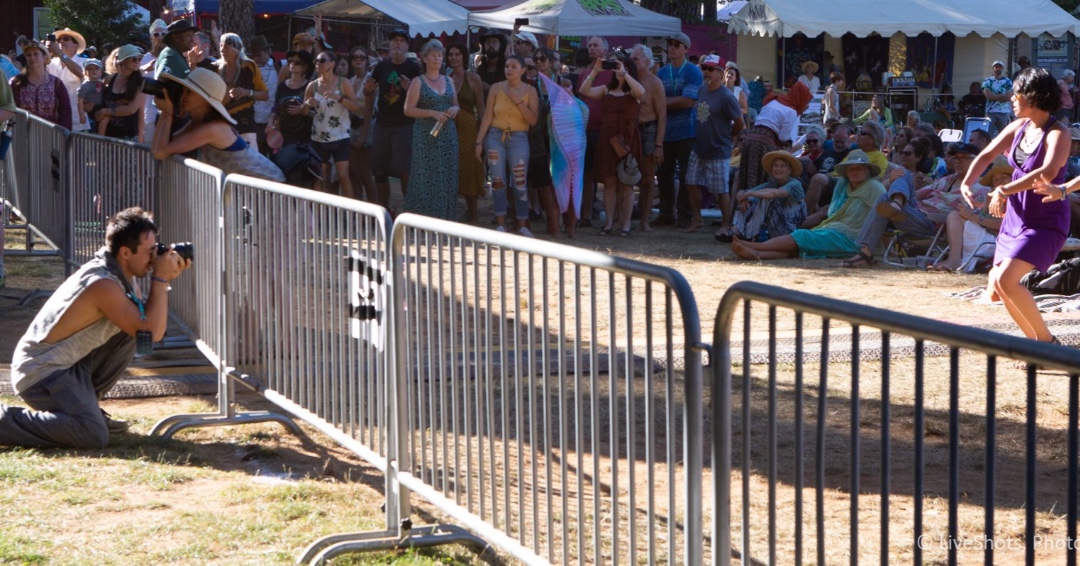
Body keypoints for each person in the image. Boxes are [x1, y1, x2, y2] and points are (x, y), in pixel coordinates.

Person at [1, 208, 191, 448]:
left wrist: (162, 277)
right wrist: (161, 279)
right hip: (41, 372)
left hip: (68, 365)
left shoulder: (121, 272)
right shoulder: (103, 283)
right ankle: (8, 420)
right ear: (125, 252)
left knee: (131, 328)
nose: (155, 258)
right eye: (150, 251)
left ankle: (84, 408)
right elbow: (151, 332)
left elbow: (146, 328)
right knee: (92, 434)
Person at [963, 67, 1069, 346]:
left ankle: (1046, 344)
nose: (1011, 98)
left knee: (1008, 280)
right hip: (1015, 217)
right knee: (998, 287)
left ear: (1034, 96)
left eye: (1017, 93)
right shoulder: (1017, 127)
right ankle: (1036, 343)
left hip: (1044, 219)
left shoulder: (1059, 133)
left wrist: (1004, 189)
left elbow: (1046, 172)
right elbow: (986, 154)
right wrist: (967, 182)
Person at [731, 150, 885, 260]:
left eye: (859, 168)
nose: (855, 171)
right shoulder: (843, 186)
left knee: (802, 236)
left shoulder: (874, 187)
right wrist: (744, 195)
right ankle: (758, 255)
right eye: (851, 168)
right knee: (800, 247)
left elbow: (883, 215)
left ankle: (757, 247)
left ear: (867, 171)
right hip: (832, 229)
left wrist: (875, 245)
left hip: (850, 237)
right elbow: (833, 212)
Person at [152, 67, 285, 182]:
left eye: (190, 92)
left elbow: (160, 152)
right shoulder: (199, 124)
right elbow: (161, 147)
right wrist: (165, 112)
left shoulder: (213, 128)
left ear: (205, 99)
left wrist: (167, 114)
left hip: (273, 191)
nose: (183, 96)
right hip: (255, 191)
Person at [722, 82, 813, 239]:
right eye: (806, 102)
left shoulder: (773, 101)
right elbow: (784, 138)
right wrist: (787, 151)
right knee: (766, 180)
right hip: (765, 143)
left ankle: (736, 226)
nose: (806, 106)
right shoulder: (790, 110)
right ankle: (753, 225)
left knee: (746, 180)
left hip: (750, 140)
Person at [579, 52, 645, 237]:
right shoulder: (607, 89)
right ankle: (609, 223)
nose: (618, 69)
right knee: (609, 181)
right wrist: (596, 70)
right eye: (616, 67)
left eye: (622, 66)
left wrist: (626, 75)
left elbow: (641, 93)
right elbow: (584, 90)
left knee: (627, 182)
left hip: (628, 139)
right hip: (607, 139)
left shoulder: (633, 90)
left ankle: (625, 224)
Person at [475, 55, 539, 235]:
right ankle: (501, 222)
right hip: (496, 136)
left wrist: (519, 100)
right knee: (497, 181)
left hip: (519, 138)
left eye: (513, 66)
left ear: (522, 70)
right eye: (507, 66)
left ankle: (522, 224)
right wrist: (479, 141)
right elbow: (487, 116)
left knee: (519, 181)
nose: (509, 70)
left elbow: (533, 120)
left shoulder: (530, 90)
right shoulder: (497, 88)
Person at [402, 39, 459, 219]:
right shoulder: (418, 82)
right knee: (424, 174)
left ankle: (446, 216)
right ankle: (423, 218)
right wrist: (431, 113)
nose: (437, 58)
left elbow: (456, 105)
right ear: (424, 59)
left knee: (448, 174)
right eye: (433, 55)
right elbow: (408, 109)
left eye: (439, 55)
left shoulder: (449, 80)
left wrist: (455, 110)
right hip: (425, 135)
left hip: (447, 135)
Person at [687, 54, 743, 234]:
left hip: (718, 149)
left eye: (711, 69)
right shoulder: (702, 90)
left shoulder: (727, 97)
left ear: (721, 73)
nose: (706, 72)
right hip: (699, 147)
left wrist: (731, 136)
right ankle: (697, 219)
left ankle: (725, 225)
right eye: (704, 68)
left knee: (721, 191)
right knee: (690, 182)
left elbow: (739, 122)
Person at [365, 28, 421, 207]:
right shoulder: (382, 66)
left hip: (405, 125)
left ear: (407, 45)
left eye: (401, 40)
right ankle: (384, 211)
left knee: (405, 171)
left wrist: (409, 89)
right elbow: (369, 90)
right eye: (394, 40)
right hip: (382, 124)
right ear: (389, 45)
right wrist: (367, 90)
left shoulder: (414, 67)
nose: (397, 43)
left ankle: (409, 212)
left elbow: (422, 97)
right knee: (379, 171)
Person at [655, 31, 702, 228]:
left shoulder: (693, 71)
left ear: (685, 49)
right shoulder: (662, 72)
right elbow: (677, 101)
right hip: (665, 132)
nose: (671, 48)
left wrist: (661, 103)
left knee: (686, 176)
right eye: (670, 44)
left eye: (676, 44)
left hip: (687, 131)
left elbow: (688, 101)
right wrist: (672, 102)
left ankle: (684, 215)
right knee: (664, 174)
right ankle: (666, 213)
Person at [930, 157, 1010, 272]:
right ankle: (954, 259)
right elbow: (984, 219)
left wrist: (972, 216)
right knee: (956, 215)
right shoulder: (991, 196)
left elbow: (1003, 225)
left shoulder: (1016, 198)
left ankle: (954, 260)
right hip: (987, 239)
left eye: (1004, 178)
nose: (1000, 182)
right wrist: (975, 210)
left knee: (955, 216)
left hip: (999, 243)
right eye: (996, 180)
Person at [525, 46, 569, 237]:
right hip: (536, 139)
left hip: (558, 138)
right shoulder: (530, 85)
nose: (539, 62)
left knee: (557, 182)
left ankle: (556, 223)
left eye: (543, 59)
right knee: (539, 182)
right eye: (536, 59)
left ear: (551, 62)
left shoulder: (562, 82)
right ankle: (537, 221)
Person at [304, 51, 361, 198]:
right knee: (321, 176)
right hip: (318, 137)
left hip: (340, 136)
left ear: (332, 63)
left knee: (343, 175)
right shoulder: (312, 85)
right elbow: (304, 112)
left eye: (322, 60)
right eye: (316, 61)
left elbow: (356, 106)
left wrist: (340, 98)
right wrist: (307, 103)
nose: (318, 64)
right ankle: (322, 212)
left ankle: (350, 211)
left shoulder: (343, 83)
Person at [577, 36, 615, 227]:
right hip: (586, 130)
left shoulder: (614, 73)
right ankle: (586, 214)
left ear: (605, 50)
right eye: (589, 45)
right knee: (587, 174)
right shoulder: (584, 73)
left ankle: (612, 217)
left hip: (606, 130)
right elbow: (579, 99)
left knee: (609, 175)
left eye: (595, 45)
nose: (591, 48)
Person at [447, 43, 486, 223]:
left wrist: (482, 136)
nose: (454, 58)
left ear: (463, 57)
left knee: (470, 169)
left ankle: (474, 214)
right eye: (451, 55)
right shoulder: (444, 78)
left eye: (457, 54)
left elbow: (481, 108)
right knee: (451, 168)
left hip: (469, 128)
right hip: (448, 128)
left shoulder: (473, 78)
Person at [730, 151, 807, 241]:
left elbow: (776, 193)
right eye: (776, 166)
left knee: (765, 197)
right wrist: (744, 198)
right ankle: (735, 231)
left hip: (791, 225)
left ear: (789, 170)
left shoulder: (795, 184)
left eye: (782, 166)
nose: (778, 169)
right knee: (749, 199)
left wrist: (749, 194)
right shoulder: (771, 184)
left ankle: (749, 234)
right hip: (776, 223)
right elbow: (740, 193)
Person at [630, 44, 666, 233]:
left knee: (647, 178)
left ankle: (645, 220)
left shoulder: (654, 83)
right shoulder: (628, 80)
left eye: (635, 58)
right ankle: (624, 218)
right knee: (625, 174)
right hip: (631, 130)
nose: (632, 61)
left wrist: (659, 144)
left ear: (646, 61)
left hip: (648, 130)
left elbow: (662, 115)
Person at [267, 50, 316, 187]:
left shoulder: (310, 86)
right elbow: (275, 108)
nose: (293, 64)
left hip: (305, 139)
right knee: (286, 175)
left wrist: (303, 111)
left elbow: (318, 114)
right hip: (285, 138)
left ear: (305, 67)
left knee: (304, 177)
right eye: (291, 61)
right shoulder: (283, 86)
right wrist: (271, 122)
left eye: (297, 62)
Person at [216, 33, 268, 148]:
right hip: (221, 122)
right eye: (220, 46)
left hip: (244, 121)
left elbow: (265, 95)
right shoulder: (216, 68)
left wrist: (246, 92)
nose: (222, 50)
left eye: (226, 47)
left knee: (248, 158)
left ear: (236, 48)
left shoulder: (249, 67)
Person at [11, 39, 71, 129]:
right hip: (23, 135)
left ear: (44, 57)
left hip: (51, 136)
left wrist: (63, 135)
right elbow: (9, 108)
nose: (32, 57)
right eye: (28, 55)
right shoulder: (17, 82)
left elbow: (65, 112)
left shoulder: (56, 83)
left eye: (36, 54)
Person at [94, 45, 146, 142]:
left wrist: (140, 138)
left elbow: (133, 110)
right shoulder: (110, 79)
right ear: (123, 60)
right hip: (106, 137)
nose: (137, 62)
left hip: (129, 138)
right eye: (134, 59)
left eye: (139, 59)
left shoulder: (141, 83)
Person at [347, 45, 375, 201]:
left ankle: (374, 213)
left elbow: (370, 110)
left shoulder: (370, 80)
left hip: (367, 127)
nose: (358, 60)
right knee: (353, 172)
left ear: (366, 61)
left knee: (365, 174)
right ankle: (359, 209)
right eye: (355, 57)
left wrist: (363, 136)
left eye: (362, 57)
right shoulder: (351, 80)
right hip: (352, 127)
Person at [46, 28, 87, 132]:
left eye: (65, 39)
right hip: (54, 120)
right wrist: (43, 51)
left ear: (75, 46)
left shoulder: (85, 62)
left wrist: (60, 54)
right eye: (58, 40)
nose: (61, 41)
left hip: (77, 121)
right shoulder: (50, 63)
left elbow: (82, 73)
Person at [248, 35, 278, 155]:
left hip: (272, 121)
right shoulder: (249, 69)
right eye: (253, 56)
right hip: (255, 122)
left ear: (267, 52)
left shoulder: (279, 67)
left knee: (275, 157)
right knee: (258, 156)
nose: (256, 59)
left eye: (259, 55)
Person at [983, 60, 1013, 136]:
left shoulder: (1007, 81)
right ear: (993, 68)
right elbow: (988, 96)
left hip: (1003, 112)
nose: (998, 68)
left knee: (1004, 136)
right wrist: (1002, 95)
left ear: (1002, 68)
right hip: (990, 112)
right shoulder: (987, 81)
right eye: (996, 67)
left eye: (1000, 67)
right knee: (987, 135)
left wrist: (994, 96)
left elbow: (1009, 97)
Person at [77, 58, 104, 133]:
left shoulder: (102, 83)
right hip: (91, 110)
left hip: (101, 107)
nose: (94, 71)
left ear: (101, 72)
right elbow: (80, 101)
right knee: (92, 129)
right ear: (85, 72)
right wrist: (82, 115)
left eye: (96, 69)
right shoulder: (85, 86)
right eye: (90, 69)